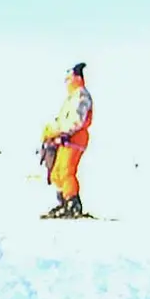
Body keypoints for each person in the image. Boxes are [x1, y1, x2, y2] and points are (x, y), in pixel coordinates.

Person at [41, 62, 94, 218]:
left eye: (69, 79)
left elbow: (77, 119)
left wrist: (60, 131)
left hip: (75, 137)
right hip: (66, 139)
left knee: (66, 171)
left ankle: (72, 202)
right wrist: (52, 131)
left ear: (76, 78)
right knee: (57, 173)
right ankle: (64, 201)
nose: (67, 83)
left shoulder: (81, 95)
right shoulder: (71, 97)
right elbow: (63, 120)